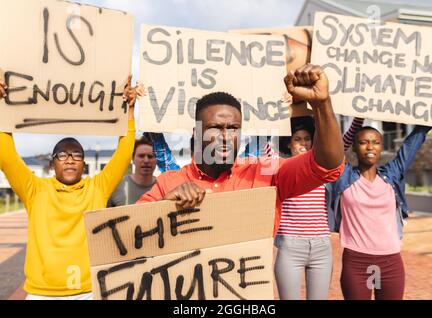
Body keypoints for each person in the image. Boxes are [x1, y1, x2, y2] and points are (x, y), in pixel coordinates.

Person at [137, 64, 345, 238]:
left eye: (233, 129)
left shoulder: (267, 174)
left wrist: (322, 104)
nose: (226, 137)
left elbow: (327, 166)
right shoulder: (169, 183)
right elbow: (131, 236)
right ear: (196, 132)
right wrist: (164, 208)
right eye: (215, 128)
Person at [0, 76, 142, 299]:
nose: (69, 159)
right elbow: (6, 156)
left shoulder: (97, 188)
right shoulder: (35, 189)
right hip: (41, 294)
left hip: (87, 292)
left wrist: (130, 110)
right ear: (51, 163)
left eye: (77, 155)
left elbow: (124, 154)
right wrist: (2, 106)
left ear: (83, 165)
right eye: (62, 155)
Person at [328, 124, 432, 300]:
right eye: (363, 142)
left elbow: (410, 145)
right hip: (356, 263)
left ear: (381, 147)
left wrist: (427, 123)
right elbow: (330, 148)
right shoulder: (343, 176)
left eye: (376, 142)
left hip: (390, 263)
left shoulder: (392, 174)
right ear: (354, 147)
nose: (370, 147)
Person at [274, 116, 364, 300]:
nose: (303, 143)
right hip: (290, 246)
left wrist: (359, 117)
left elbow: (341, 143)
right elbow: (261, 143)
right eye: (297, 139)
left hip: (321, 247)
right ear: (288, 143)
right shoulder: (279, 167)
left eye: (307, 139)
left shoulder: (321, 169)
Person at [107, 136, 157, 207]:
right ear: (133, 159)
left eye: (150, 156)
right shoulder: (116, 186)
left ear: (156, 160)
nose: (146, 160)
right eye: (141, 156)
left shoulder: (163, 187)